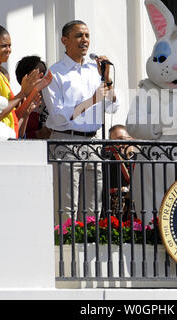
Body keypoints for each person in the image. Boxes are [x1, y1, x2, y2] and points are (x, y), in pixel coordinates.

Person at [42, 20, 119, 222]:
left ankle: (90, 248)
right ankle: (66, 251)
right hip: (66, 141)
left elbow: (112, 106)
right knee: (67, 206)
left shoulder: (95, 71)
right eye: (79, 35)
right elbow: (58, 115)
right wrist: (92, 100)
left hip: (93, 142)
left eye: (87, 35)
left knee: (93, 207)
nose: (84, 40)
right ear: (64, 40)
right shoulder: (55, 72)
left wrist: (107, 79)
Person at [0, 24, 42, 138]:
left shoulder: (2, 74)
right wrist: (22, 93)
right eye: (3, 46)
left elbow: (10, 117)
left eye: (9, 45)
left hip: (9, 138)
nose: (8, 50)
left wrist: (27, 109)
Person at [15, 55, 51, 139]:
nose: (43, 76)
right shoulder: (18, 102)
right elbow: (15, 132)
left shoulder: (51, 97)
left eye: (44, 72)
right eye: (38, 72)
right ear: (25, 77)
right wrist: (37, 134)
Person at [104, 125, 135, 220]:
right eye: (116, 141)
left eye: (123, 139)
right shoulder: (107, 160)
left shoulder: (139, 158)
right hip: (113, 205)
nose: (120, 144)